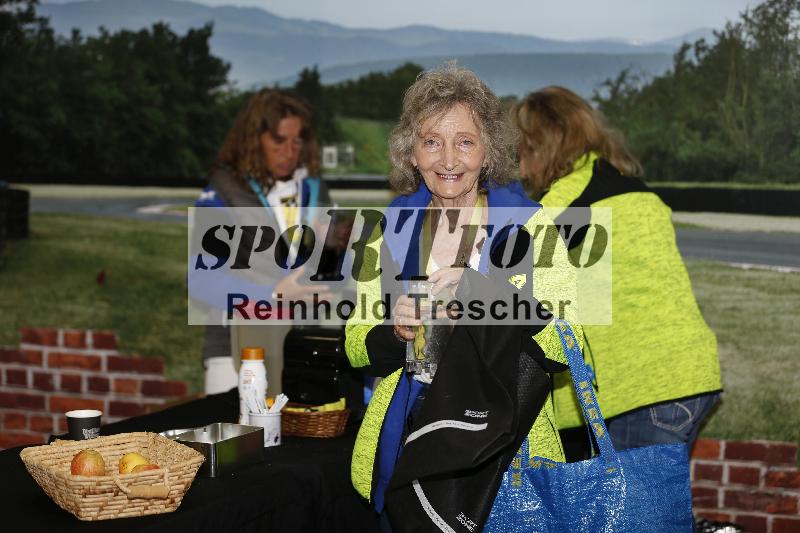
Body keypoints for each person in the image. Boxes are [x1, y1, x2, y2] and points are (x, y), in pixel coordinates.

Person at [344, 65, 582, 532]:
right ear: (411, 153)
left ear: (488, 150)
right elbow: (354, 346)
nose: (448, 159)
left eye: (465, 142)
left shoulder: (532, 229)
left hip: (507, 458)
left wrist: (483, 293)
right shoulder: (388, 237)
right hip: (410, 449)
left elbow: (567, 346)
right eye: (432, 141)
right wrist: (395, 332)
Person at [512, 86, 722, 456]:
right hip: (684, 374)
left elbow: (512, 264)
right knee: (654, 506)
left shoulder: (576, 195)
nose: (520, 169)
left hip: (645, 386)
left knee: (633, 512)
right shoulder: (634, 190)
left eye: (520, 154)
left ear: (541, 146)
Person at [194, 89, 332, 393]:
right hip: (235, 350)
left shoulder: (312, 189)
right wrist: (271, 293)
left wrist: (332, 254)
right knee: (239, 439)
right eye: (279, 141)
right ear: (254, 140)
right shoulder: (224, 192)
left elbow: (329, 273)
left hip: (302, 345)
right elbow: (201, 281)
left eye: (297, 141)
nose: (290, 151)